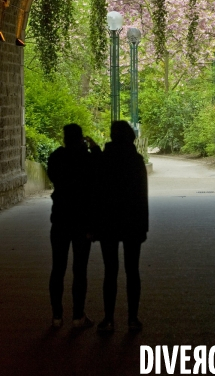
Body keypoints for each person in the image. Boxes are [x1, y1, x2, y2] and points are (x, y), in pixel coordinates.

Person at [95, 120, 148, 333]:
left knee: (110, 272)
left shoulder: (104, 161)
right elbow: (141, 196)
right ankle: (132, 319)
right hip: (132, 223)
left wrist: (94, 224)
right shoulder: (136, 161)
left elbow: (96, 196)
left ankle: (108, 319)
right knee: (132, 271)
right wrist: (143, 227)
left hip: (108, 223)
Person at [47, 123, 101, 329]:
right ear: (81, 139)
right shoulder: (87, 159)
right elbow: (100, 170)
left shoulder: (56, 158)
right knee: (80, 270)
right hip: (82, 222)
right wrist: (93, 146)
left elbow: (53, 176)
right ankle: (78, 315)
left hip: (60, 219)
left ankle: (57, 315)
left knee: (57, 268)